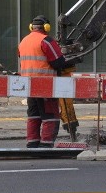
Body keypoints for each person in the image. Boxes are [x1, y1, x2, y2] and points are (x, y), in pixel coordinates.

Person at [17, 15, 73, 148]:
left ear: (32, 27)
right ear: (46, 27)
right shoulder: (46, 40)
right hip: (45, 85)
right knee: (50, 115)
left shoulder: (24, 41)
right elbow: (58, 62)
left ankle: (32, 142)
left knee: (34, 115)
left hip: (29, 85)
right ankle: (46, 145)